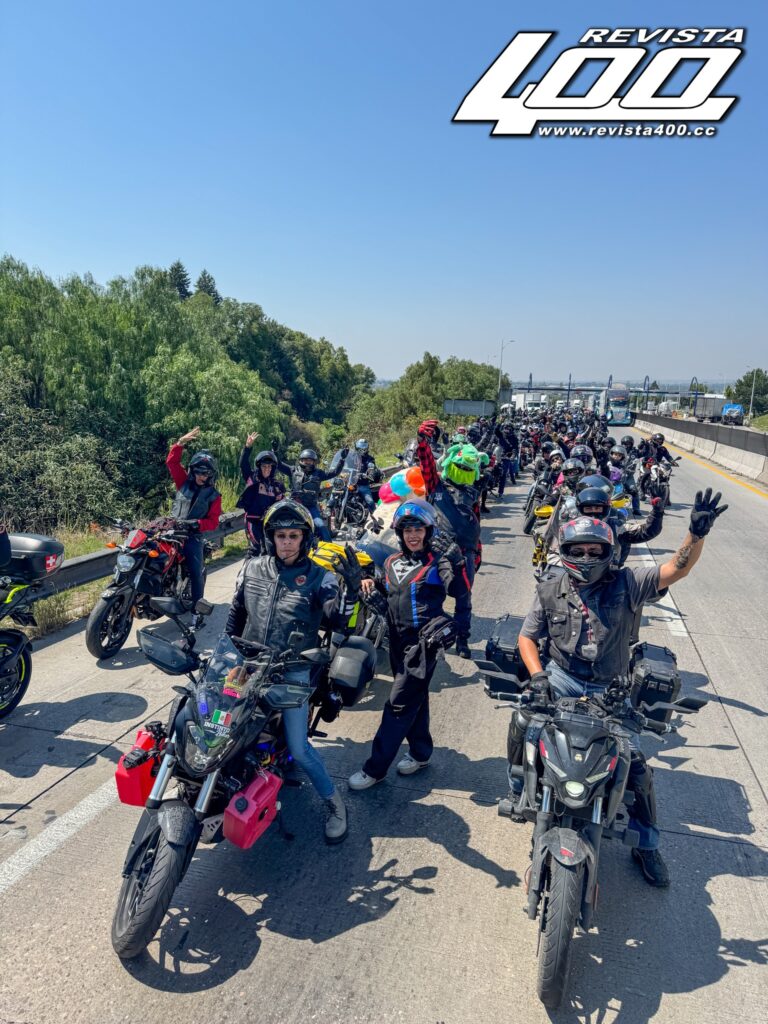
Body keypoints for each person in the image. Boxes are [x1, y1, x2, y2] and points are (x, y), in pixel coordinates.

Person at [513, 488, 728, 887]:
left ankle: (647, 845)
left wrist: (695, 535)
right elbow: (527, 638)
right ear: (566, 551)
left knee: (636, 766)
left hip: (610, 687)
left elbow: (675, 570)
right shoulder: (550, 587)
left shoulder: (628, 583)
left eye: (595, 551)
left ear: (608, 552)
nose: (587, 557)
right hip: (561, 677)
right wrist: (539, 677)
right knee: (524, 722)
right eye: (579, 550)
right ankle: (517, 787)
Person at [225, 499, 359, 843]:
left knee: (300, 748)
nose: (286, 542)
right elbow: (236, 616)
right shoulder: (252, 568)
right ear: (271, 537)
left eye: (293, 536)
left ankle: (335, 804)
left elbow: (337, 618)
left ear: (304, 539)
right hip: (249, 665)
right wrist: (228, 656)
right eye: (281, 535)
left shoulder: (319, 577)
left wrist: (350, 591)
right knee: (219, 724)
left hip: (292, 670)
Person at [348, 499, 470, 790]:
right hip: (395, 641)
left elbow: (459, 590)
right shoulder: (391, 561)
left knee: (398, 705)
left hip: (423, 645)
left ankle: (375, 769)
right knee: (416, 697)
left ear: (428, 532)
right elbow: (389, 592)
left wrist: (457, 561)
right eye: (407, 530)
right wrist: (367, 584)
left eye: (418, 529)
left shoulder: (437, 562)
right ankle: (420, 752)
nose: (413, 535)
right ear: (399, 533)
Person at [416, 419, 482, 659]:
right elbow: (426, 463)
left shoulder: (473, 492)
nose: (464, 471)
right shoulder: (436, 485)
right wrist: (422, 442)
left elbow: (474, 524)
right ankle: (425, 636)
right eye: (460, 466)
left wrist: (476, 552)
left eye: (468, 468)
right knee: (427, 595)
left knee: (464, 598)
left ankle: (462, 639)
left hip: (462, 553)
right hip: (434, 551)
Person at [166, 427, 221, 623]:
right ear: (192, 470)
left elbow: (213, 521)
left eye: (205, 473)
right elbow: (172, 463)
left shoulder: (214, 496)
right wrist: (180, 443)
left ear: (211, 474)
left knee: (196, 572)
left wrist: (197, 524)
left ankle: (197, 612)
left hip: (192, 536)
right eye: (198, 471)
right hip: (171, 531)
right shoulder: (183, 483)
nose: (201, 476)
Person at [237, 433, 285, 555]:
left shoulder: (277, 485)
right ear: (259, 466)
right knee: (255, 549)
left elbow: (282, 503)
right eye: (264, 466)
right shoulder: (252, 478)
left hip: (269, 523)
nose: (267, 469)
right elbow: (243, 464)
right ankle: (247, 568)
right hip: (252, 520)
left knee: (270, 551)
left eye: (269, 466)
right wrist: (247, 447)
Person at [276, 447, 335, 542]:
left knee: (320, 525)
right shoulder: (293, 470)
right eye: (305, 460)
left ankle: (330, 547)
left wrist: (342, 460)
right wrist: (275, 451)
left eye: (310, 460)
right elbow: (278, 465)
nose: (307, 462)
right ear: (301, 460)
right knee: (281, 523)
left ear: (314, 462)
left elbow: (334, 473)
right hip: (295, 505)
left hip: (311, 506)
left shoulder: (319, 473)